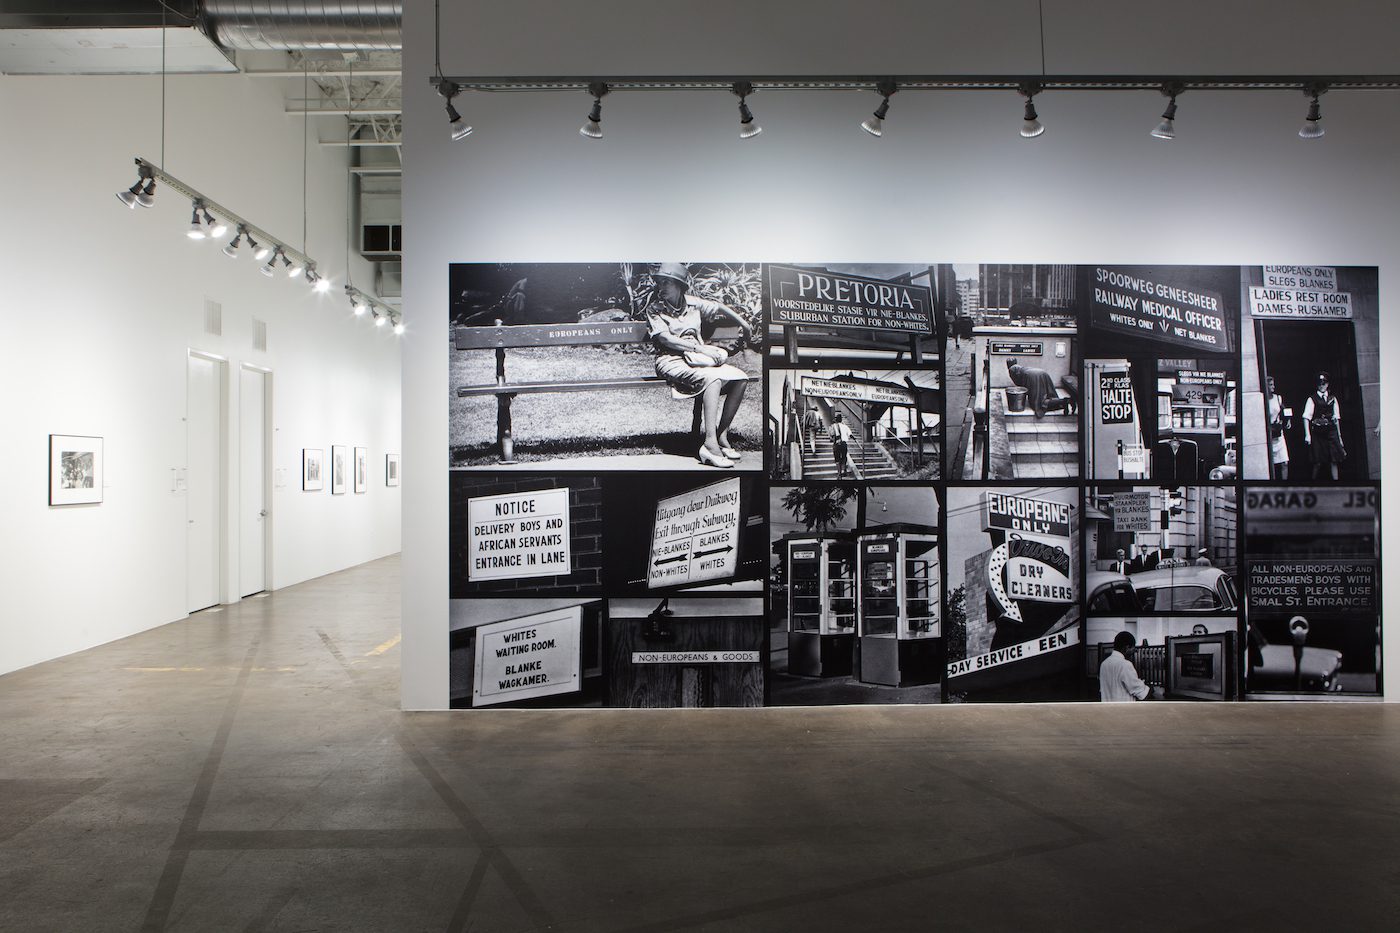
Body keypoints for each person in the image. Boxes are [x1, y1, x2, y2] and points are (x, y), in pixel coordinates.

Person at [643, 262, 753, 468]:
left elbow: (718, 306)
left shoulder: (693, 304)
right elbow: (666, 339)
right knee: (713, 378)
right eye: (660, 282)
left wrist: (744, 324)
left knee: (741, 378)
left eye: (666, 282)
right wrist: (700, 348)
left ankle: (721, 436)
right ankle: (709, 445)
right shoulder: (655, 309)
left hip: (696, 360)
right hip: (670, 360)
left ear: (679, 285)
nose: (661, 287)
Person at [1302, 370, 1345, 480]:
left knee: (1334, 460)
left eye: (1324, 383)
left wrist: (1339, 437)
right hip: (1318, 434)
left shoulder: (1333, 398)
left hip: (1331, 433)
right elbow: (1306, 417)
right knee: (1317, 462)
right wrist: (1307, 435)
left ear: (1327, 384)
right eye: (1319, 383)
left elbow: (1336, 418)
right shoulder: (1312, 399)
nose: (1322, 385)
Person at [1005, 357, 1076, 418]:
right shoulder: (1019, 367)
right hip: (1042, 373)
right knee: (1048, 396)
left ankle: (1064, 401)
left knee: (1038, 403)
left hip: (1034, 377)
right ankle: (1068, 401)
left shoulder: (1012, 369)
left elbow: (1019, 385)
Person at [1099, 631, 1151, 702]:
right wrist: (1150, 688)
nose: (1134, 651)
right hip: (1123, 708)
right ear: (1127, 647)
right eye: (1133, 648)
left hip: (1107, 707)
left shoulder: (1104, 664)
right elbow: (1141, 693)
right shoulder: (1125, 664)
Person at [1266, 375, 1291, 480]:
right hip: (1268, 434)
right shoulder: (1262, 400)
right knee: (1270, 464)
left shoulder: (1278, 398)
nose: (1273, 387)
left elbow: (1284, 409)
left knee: (1284, 462)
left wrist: (1288, 420)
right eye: (1271, 385)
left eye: (1273, 384)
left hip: (1278, 433)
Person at [829, 412, 854, 479]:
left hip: (836, 444)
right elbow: (850, 434)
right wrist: (853, 438)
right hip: (844, 444)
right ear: (841, 419)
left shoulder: (833, 426)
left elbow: (831, 435)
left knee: (837, 458)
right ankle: (844, 470)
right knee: (844, 457)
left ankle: (839, 474)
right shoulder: (845, 426)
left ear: (835, 419)